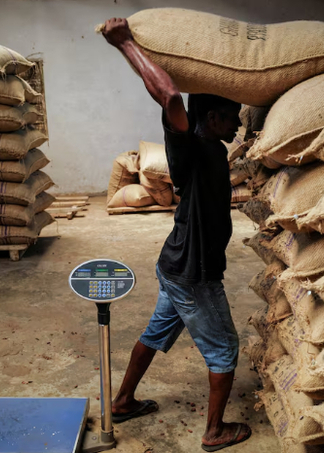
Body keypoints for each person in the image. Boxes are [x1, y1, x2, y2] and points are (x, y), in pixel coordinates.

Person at [101, 17, 251, 452]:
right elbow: (168, 96)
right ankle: (214, 431)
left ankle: (125, 400)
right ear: (211, 116)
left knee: (155, 333)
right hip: (193, 272)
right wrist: (125, 43)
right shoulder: (187, 146)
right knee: (224, 348)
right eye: (234, 117)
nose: (239, 124)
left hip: (174, 264)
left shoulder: (215, 149)